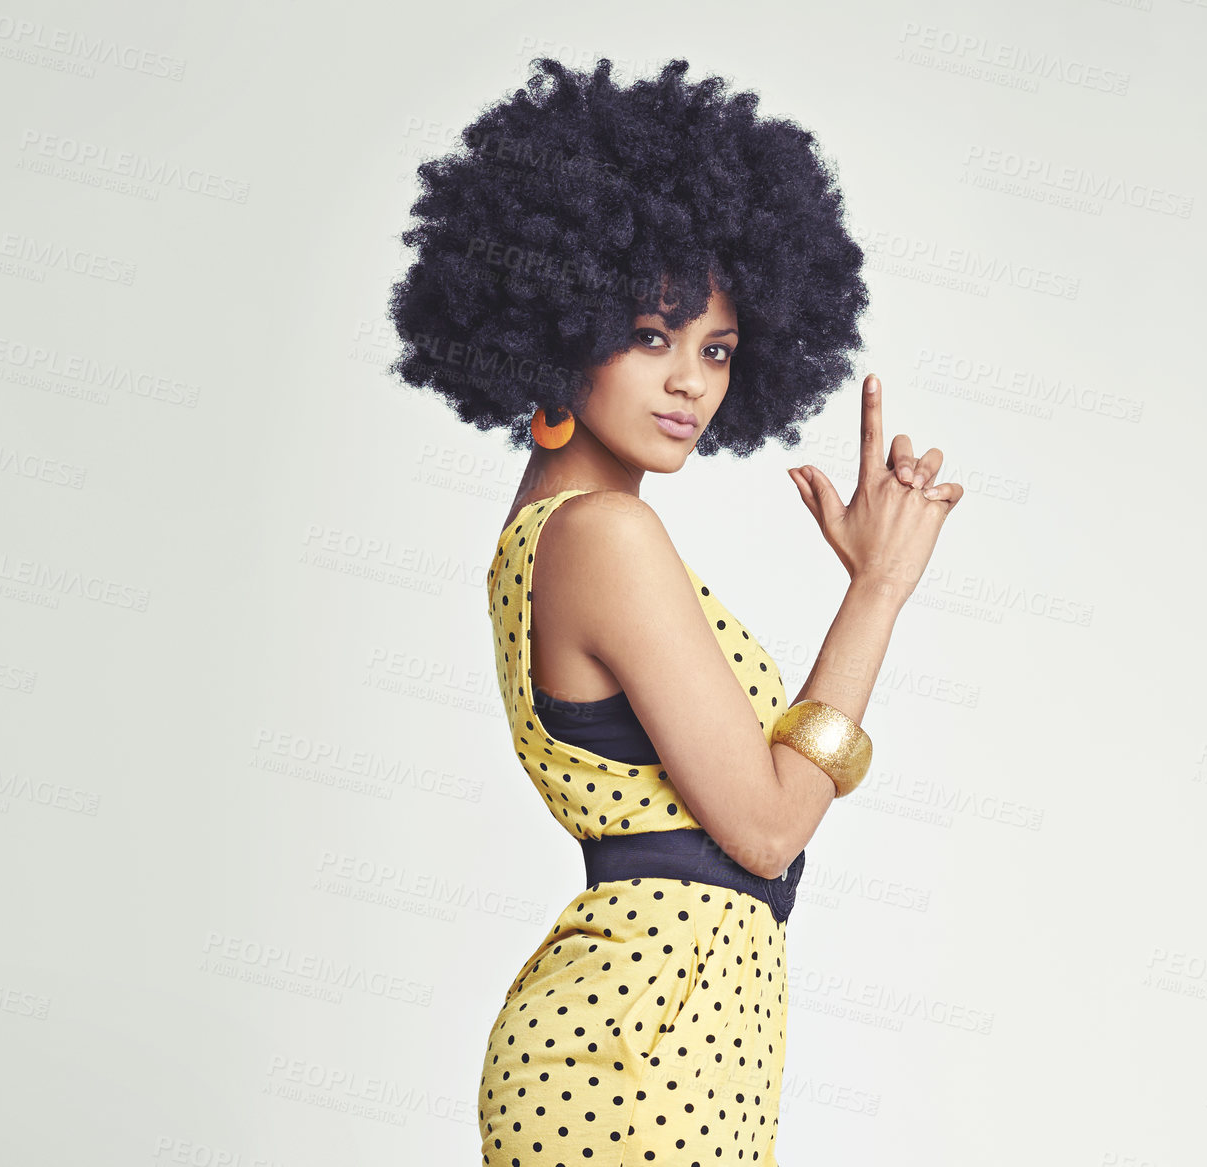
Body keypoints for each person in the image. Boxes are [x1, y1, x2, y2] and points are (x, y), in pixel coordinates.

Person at [385, 58, 962, 1163]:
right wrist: (876, 592)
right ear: (562, 321)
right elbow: (763, 827)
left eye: (716, 350)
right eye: (650, 335)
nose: (690, 383)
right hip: (634, 1054)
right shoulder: (602, 535)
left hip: (683, 1035)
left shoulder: (556, 534)